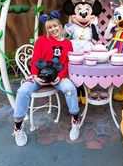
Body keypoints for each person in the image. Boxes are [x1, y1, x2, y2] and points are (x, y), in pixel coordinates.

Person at [13, 11, 80, 146]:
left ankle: (75, 121)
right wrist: (35, 76)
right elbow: (36, 59)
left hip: (57, 78)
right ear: (47, 29)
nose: (53, 29)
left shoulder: (68, 44)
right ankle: (18, 128)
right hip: (39, 77)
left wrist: (60, 77)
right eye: (50, 27)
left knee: (70, 88)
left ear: (61, 26)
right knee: (23, 91)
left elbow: (67, 63)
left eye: (55, 26)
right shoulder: (42, 40)